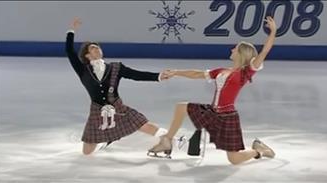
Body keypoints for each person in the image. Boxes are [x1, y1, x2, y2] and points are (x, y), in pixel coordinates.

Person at [148, 16, 277, 165]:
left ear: (241, 53)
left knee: (234, 159)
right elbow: (197, 74)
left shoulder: (246, 72)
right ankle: (167, 141)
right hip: (212, 112)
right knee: (181, 107)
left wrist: (273, 32)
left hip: (227, 116)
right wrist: (176, 72)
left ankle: (260, 151)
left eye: (235, 48)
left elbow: (264, 52)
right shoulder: (221, 70)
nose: (232, 49)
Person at [66, 18, 171, 155]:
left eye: (98, 47)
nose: (97, 48)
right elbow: (69, 51)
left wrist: (157, 76)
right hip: (97, 111)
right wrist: (71, 30)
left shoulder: (116, 67)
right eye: (92, 48)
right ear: (86, 55)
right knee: (87, 152)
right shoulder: (83, 70)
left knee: (142, 124)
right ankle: (105, 141)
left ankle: (168, 139)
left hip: (118, 107)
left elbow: (136, 75)